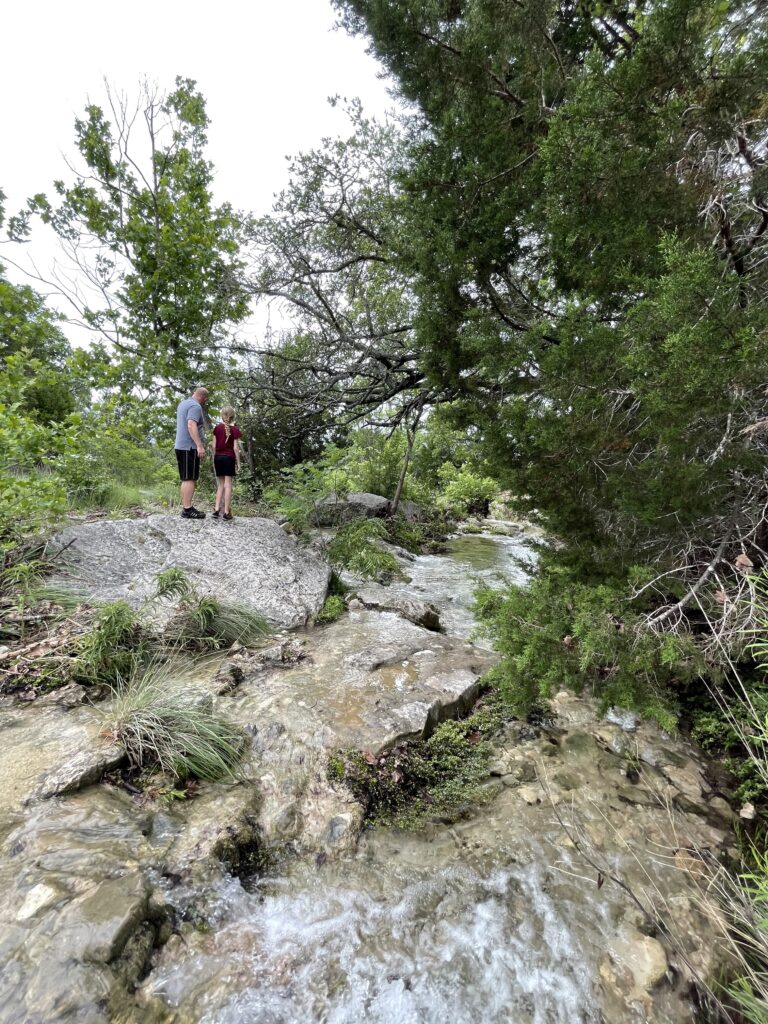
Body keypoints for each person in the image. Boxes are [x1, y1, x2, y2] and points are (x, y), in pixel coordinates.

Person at [175, 386, 209, 520]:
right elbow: (191, 425)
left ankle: (186, 507)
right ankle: (188, 510)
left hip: (180, 445)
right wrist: (199, 445)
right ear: (203, 398)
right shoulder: (195, 406)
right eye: (205, 400)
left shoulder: (183, 403)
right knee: (190, 478)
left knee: (186, 478)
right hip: (189, 447)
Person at [212, 406, 242, 521]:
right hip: (229, 458)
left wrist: (216, 456)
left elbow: (214, 446)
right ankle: (226, 512)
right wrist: (238, 463)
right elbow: (235, 448)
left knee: (220, 485)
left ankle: (216, 510)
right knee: (228, 485)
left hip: (218, 457)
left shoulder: (216, 428)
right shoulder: (235, 430)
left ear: (222, 416)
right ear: (232, 416)